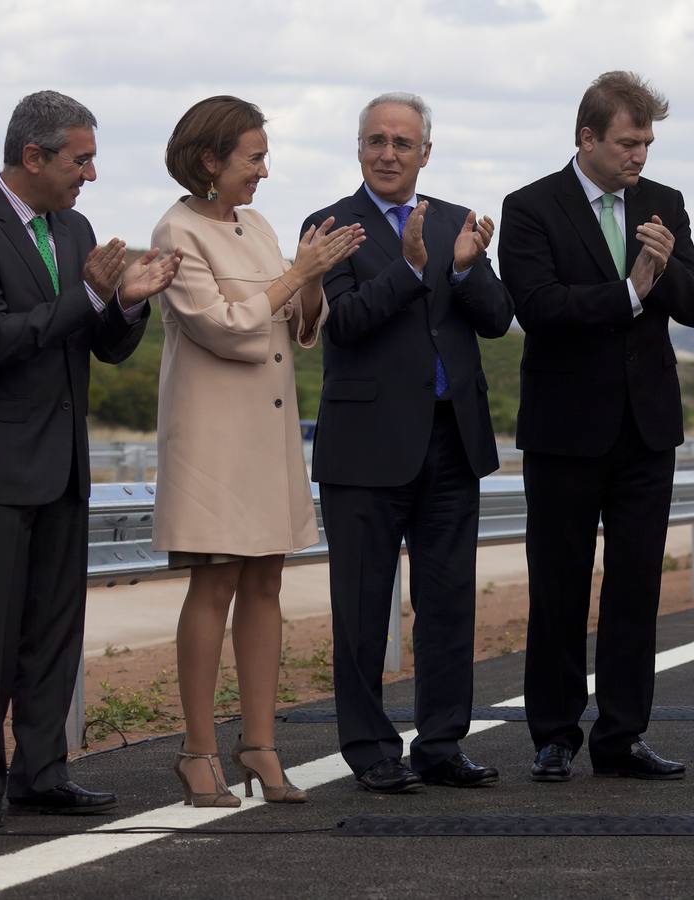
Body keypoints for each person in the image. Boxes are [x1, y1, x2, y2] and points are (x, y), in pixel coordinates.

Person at [500, 71, 694, 782]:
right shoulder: (530, 207)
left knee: (635, 590)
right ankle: (554, 733)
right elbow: (539, 307)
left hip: (644, 431)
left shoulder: (662, 204)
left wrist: (664, 261)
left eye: (648, 142)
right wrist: (628, 290)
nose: (640, 156)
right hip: (565, 430)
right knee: (559, 586)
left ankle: (622, 736)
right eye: (628, 142)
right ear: (586, 136)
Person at [150, 95, 364, 807]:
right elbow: (228, 327)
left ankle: (261, 745)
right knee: (213, 586)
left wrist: (317, 280)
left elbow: (296, 323)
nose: (264, 172)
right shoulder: (176, 231)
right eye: (254, 157)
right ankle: (198, 749)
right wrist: (295, 277)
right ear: (210, 160)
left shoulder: (258, 224)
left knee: (267, 585)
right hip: (212, 443)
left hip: (267, 437)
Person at [0, 91, 176, 828]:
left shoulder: (76, 228)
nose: (89, 174)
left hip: (63, 466)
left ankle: (42, 772)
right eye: (79, 159)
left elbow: (103, 345)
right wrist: (90, 294)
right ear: (33, 156)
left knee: (53, 629)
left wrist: (127, 303)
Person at [307, 93, 513, 794]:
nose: (388, 153)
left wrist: (460, 267)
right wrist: (410, 264)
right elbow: (345, 325)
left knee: (449, 605)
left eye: (402, 142)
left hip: (451, 441)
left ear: (426, 152)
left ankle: (442, 745)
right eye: (375, 141)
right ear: (358, 148)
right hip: (364, 449)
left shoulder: (459, 220)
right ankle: (370, 751)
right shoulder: (329, 226)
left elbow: (494, 318)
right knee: (362, 610)